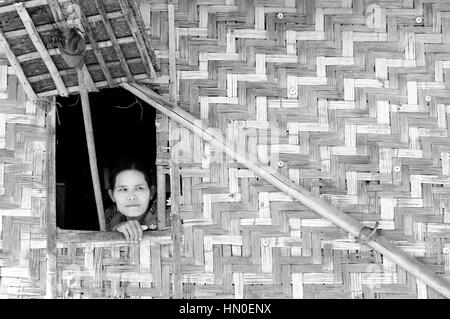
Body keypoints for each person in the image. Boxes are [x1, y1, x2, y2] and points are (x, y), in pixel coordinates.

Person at [105, 159, 157, 242]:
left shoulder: (167, 216)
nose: (131, 196)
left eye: (139, 188)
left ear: (151, 192)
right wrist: (116, 230)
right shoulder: (109, 216)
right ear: (112, 196)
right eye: (123, 189)